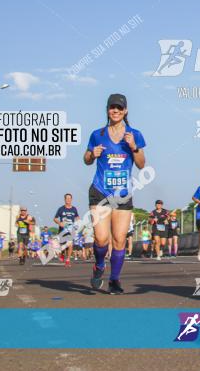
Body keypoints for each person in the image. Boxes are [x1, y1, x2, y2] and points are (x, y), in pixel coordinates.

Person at [84, 93, 146, 295]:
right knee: (101, 239)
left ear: (125, 111)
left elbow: (141, 164)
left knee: (119, 239)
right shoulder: (97, 134)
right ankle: (99, 265)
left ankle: (114, 280)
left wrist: (133, 147)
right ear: (108, 110)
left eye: (120, 108)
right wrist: (92, 154)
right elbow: (86, 159)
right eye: (112, 107)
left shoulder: (134, 134)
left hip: (122, 194)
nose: (116, 111)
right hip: (100, 191)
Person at [54, 193, 79, 267]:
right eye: (67, 198)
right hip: (62, 230)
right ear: (64, 199)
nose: (68, 200)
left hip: (71, 230)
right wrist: (59, 223)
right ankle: (61, 253)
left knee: (70, 244)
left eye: (69, 198)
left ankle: (68, 260)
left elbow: (77, 217)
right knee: (62, 245)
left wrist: (77, 223)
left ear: (71, 199)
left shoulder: (74, 209)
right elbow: (55, 218)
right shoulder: (61, 209)